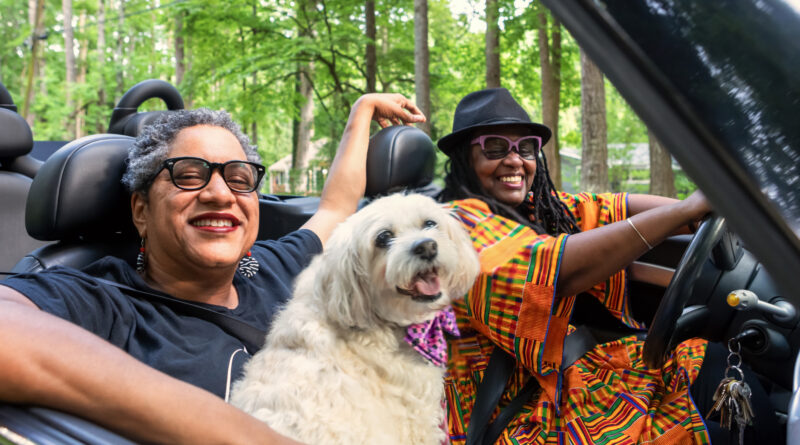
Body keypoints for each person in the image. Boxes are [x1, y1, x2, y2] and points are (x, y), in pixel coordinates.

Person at [0, 93, 424, 444]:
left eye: (239, 177)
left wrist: (362, 110)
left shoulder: (274, 266)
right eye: (188, 175)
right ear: (141, 209)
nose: (220, 194)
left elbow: (335, 207)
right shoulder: (105, 301)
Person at [436, 88, 779, 444]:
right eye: (495, 147)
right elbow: (558, 270)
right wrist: (682, 212)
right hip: (513, 416)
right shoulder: (451, 227)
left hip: (565, 380)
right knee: (717, 435)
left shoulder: (534, 209)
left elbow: (608, 207)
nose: (514, 160)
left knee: (716, 361)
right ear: (466, 157)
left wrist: (712, 208)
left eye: (526, 147)